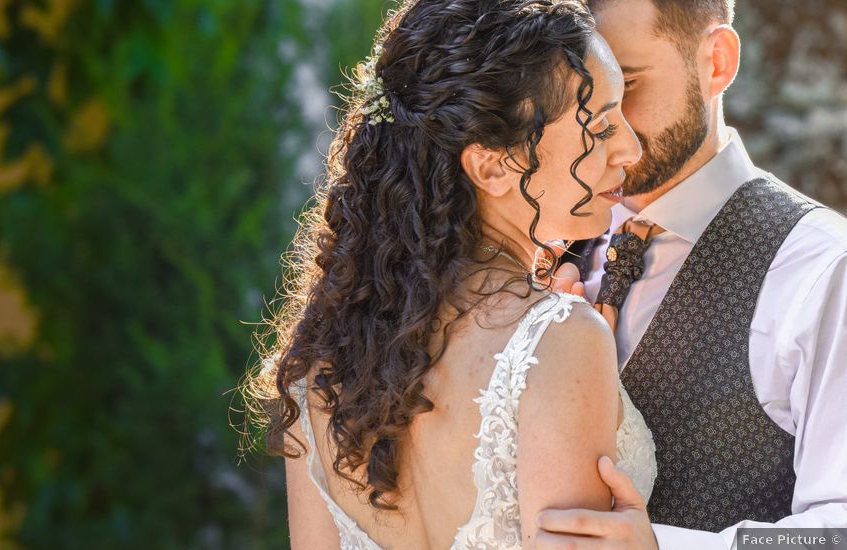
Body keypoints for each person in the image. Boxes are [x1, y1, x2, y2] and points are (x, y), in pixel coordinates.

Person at [243, 0, 657, 548]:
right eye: (600, 127)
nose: (631, 146)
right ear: (492, 166)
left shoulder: (322, 361)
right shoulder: (558, 338)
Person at [536, 0, 847, 548]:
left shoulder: (825, 269)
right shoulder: (544, 236)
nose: (600, 130)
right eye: (577, 98)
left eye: (627, 84)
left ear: (718, 62)